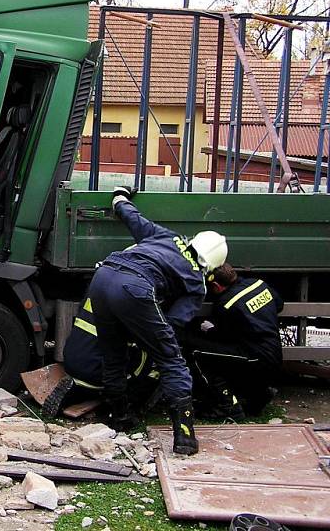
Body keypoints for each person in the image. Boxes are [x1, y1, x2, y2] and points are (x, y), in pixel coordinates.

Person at [87, 187, 228, 455]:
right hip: (135, 287)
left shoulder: (169, 238)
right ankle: (185, 437)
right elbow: (172, 325)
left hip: (103, 276)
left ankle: (120, 418)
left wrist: (119, 197)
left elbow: (133, 218)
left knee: (112, 354)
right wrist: (146, 335)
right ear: (212, 265)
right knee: (171, 359)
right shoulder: (197, 281)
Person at [180, 263, 283, 418]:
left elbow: (224, 337)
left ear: (215, 285)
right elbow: (279, 305)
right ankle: (258, 395)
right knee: (231, 354)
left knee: (196, 352)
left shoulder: (226, 303)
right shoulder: (259, 284)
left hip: (255, 357)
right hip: (274, 353)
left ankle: (227, 406)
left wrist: (209, 330)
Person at [42, 297, 159, 418]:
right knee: (145, 360)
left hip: (71, 357)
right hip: (94, 370)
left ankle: (76, 391)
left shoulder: (97, 288)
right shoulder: (137, 304)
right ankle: (125, 405)